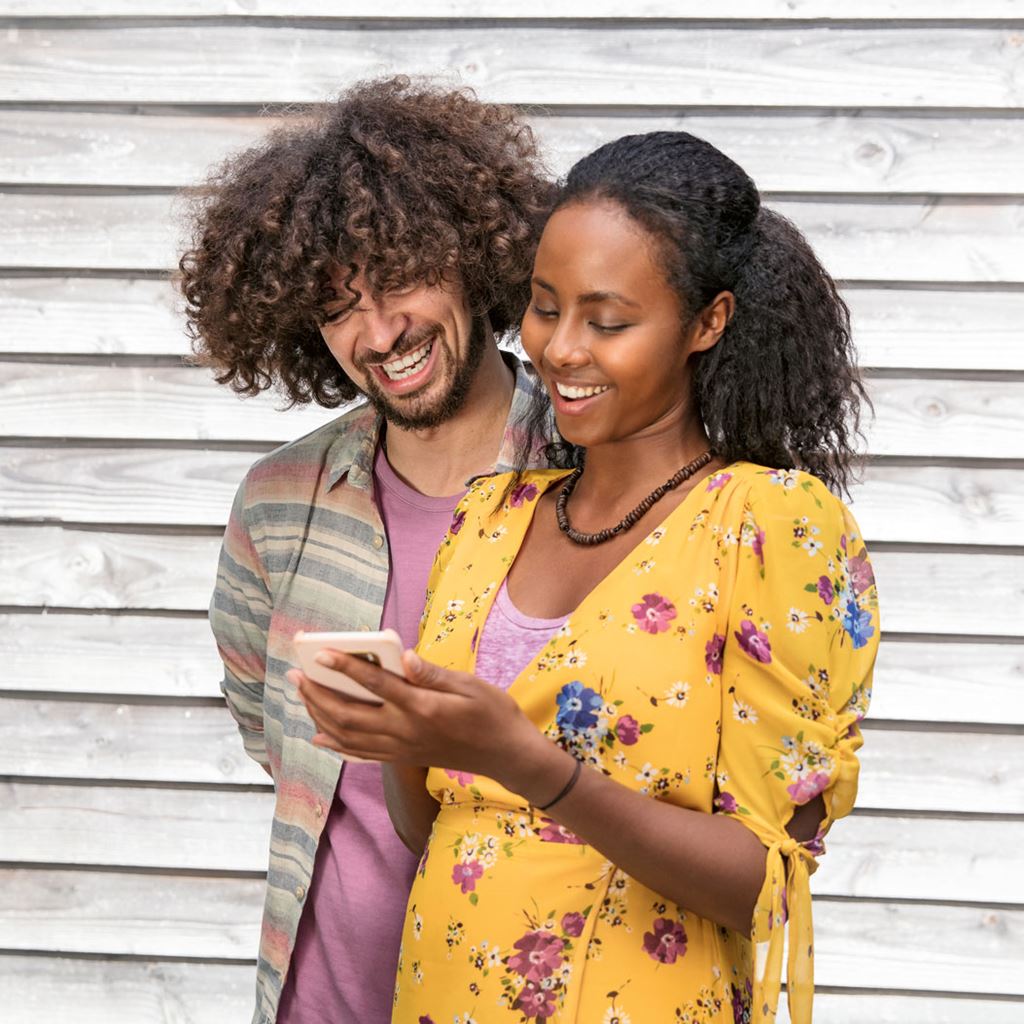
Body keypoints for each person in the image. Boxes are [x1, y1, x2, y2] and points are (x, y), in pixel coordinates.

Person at [297, 130, 880, 1024]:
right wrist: (401, 731)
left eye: (607, 321)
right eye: (542, 307)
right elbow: (437, 827)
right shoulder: (488, 520)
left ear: (708, 322)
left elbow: (764, 883)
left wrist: (534, 766)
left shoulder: (771, 527)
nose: (562, 349)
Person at [178, 76, 553, 1024]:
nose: (378, 333)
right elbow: (275, 738)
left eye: (399, 283)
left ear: (476, 257)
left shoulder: (601, 475)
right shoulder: (278, 505)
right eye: (339, 306)